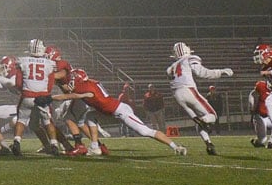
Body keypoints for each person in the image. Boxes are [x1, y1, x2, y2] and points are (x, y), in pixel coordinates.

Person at [55, 67, 189, 156]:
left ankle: (175, 146)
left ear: (78, 79)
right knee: (90, 116)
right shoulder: (89, 83)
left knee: (145, 131)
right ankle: (95, 146)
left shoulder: (85, 88)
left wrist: (50, 97)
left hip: (120, 111)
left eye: (73, 78)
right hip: (109, 110)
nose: (71, 80)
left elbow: (68, 95)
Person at [166, 42, 233, 156]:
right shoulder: (190, 58)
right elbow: (202, 72)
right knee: (212, 115)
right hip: (189, 90)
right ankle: (204, 123)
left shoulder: (170, 68)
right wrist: (220, 72)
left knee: (200, 120)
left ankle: (209, 144)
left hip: (177, 94)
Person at [10, 39, 62, 156]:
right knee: (47, 121)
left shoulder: (22, 61)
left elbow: (18, 82)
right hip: (42, 96)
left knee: (22, 120)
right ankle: (54, 145)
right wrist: (46, 95)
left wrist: (23, 91)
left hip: (27, 95)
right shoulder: (49, 63)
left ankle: (17, 142)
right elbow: (50, 83)